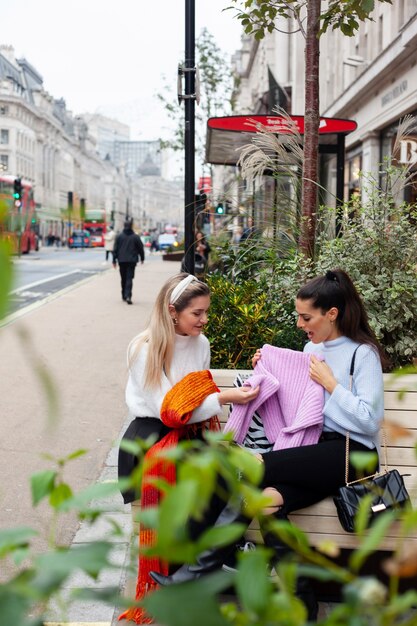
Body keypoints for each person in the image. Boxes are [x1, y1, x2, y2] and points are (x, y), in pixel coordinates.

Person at [151, 268, 388, 622]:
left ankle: (193, 574)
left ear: (332, 314)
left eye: (306, 317)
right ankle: (303, 603)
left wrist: (332, 385)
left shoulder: (362, 354)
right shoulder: (311, 348)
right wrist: (267, 373)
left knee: (251, 465)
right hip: (315, 450)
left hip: (355, 455)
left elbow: (369, 420)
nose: (299, 324)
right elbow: (298, 405)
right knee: (266, 502)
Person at [118, 272, 260, 623]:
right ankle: (195, 578)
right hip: (152, 438)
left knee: (240, 473)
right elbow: (171, 410)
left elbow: (194, 404)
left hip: (192, 436)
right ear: (172, 311)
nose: (204, 320)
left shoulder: (202, 344)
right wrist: (224, 397)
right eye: (197, 313)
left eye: (206, 312)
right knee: (199, 483)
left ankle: (194, 576)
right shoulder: (144, 349)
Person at [113, 218, 145, 305]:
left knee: (123, 278)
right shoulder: (135, 237)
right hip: (132, 261)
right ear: (131, 226)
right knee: (129, 278)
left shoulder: (119, 236)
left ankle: (124, 294)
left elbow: (115, 249)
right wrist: (142, 258)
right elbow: (140, 248)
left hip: (121, 260)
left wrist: (114, 261)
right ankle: (128, 296)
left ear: (124, 226)